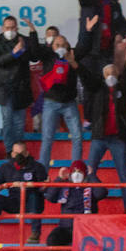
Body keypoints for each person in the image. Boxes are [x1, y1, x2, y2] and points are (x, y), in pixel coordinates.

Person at [83, 62, 126, 213]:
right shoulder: (98, 89)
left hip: (117, 138)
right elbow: (87, 80)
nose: (111, 76)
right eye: (108, 73)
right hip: (99, 137)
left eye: (114, 73)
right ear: (103, 75)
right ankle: (87, 206)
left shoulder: (122, 90)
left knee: (123, 175)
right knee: (89, 172)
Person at [33, 30, 90, 170]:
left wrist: (87, 31)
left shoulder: (72, 56)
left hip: (69, 103)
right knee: (47, 138)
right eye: (57, 44)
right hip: (50, 103)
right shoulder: (48, 56)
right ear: (52, 46)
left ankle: (77, 171)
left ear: (68, 46)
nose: (60, 47)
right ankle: (42, 174)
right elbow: (34, 51)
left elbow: (84, 47)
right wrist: (33, 32)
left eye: (63, 44)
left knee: (77, 137)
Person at [0, 15, 39, 153]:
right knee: (7, 121)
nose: (10, 30)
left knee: (19, 123)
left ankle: (19, 152)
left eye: (12, 28)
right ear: (3, 28)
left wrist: (33, 32)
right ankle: (9, 151)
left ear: (16, 28)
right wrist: (13, 53)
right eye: (7, 28)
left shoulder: (24, 40)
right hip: (4, 89)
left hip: (21, 88)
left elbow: (35, 57)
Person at [45, 162, 107, 251]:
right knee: (52, 239)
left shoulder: (91, 188)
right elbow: (50, 197)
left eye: (80, 172)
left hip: (87, 229)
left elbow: (101, 193)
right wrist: (59, 178)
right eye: (74, 172)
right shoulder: (65, 187)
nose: (76, 174)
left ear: (85, 174)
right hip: (66, 228)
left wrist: (92, 175)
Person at [0, 142, 48, 243]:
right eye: (16, 153)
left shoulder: (37, 167)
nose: (19, 156)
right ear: (12, 154)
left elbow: (43, 187)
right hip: (14, 202)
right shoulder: (6, 167)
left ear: (27, 153)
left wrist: (41, 186)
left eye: (21, 153)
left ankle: (35, 233)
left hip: (31, 203)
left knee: (34, 196)